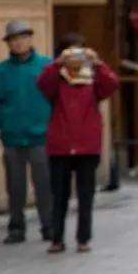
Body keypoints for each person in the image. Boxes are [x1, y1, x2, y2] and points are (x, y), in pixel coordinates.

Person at [37, 34, 119, 254]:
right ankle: (57, 238)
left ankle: (83, 238)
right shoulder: (56, 77)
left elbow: (112, 84)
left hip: (87, 143)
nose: (75, 57)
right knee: (59, 194)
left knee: (86, 195)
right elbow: (42, 84)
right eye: (70, 52)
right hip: (60, 144)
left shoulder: (92, 77)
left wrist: (98, 62)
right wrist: (57, 64)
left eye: (79, 52)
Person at [0, 21, 53, 244]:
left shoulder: (46, 65)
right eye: (14, 39)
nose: (18, 42)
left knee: (43, 183)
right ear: (8, 44)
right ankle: (16, 227)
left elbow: (56, 97)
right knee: (15, 186)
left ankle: (49, 225)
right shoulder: (2, 70)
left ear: (30, 39)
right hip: (12, 136)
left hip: (41, 135)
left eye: (22, 37)